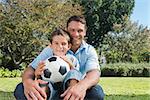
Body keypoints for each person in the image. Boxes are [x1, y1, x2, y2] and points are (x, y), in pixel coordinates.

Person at [14, 15, 105, 100]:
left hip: (75, 89)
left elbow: (94, 73)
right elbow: (31, 69)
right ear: (66, 30)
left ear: (85, 32)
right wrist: (28, 82)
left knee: (97, 93)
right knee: (20, 89)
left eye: (80, 30)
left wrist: (81, 86)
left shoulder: (89, 50)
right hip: (51, 87)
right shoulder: (52, 48)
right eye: (72, 30)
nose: (76, 34)